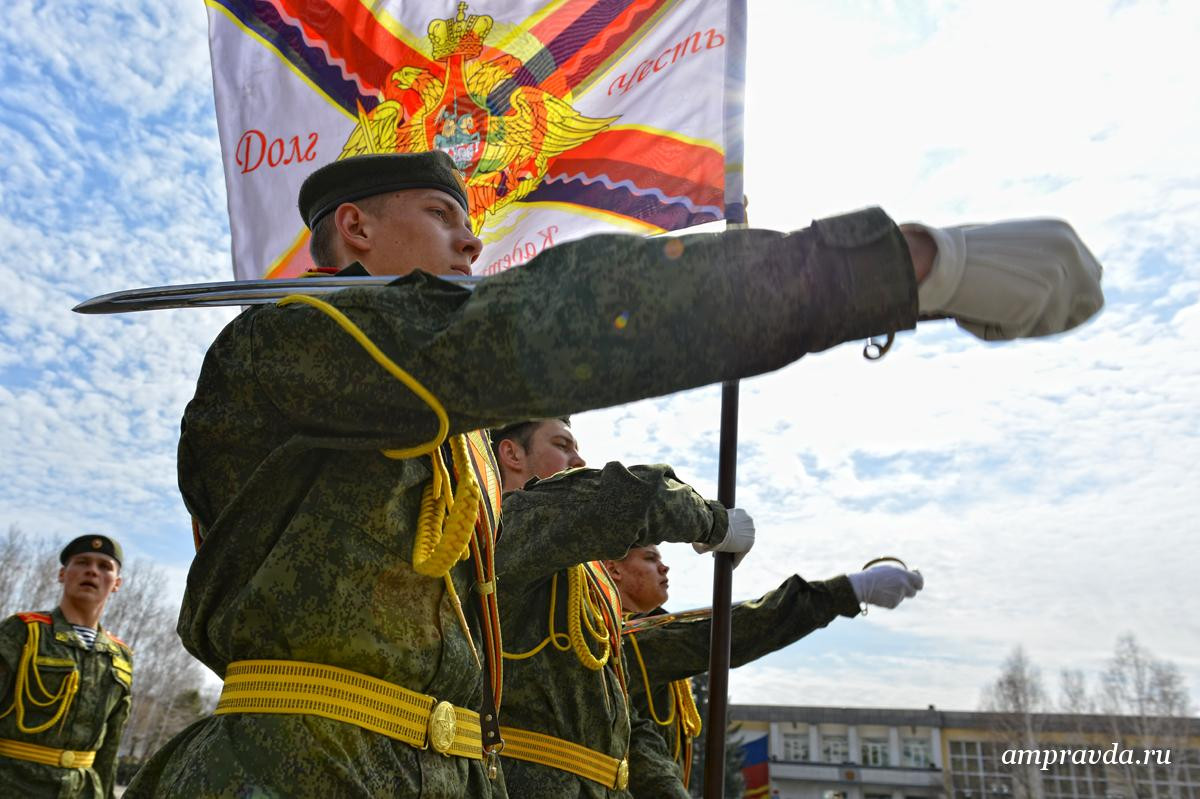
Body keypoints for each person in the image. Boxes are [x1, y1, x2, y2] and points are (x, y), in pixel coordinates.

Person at [124, 149, 1102, 797]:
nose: (472, 241)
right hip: (299, 769)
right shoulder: (297, 335)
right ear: (356, 230)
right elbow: (532, 326)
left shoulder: (428, 428)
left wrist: (830, 593)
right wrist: (886, 268)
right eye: (439, 211)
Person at [490, 417, 741, 798]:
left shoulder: (587, 585)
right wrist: (714, 522)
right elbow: (631, 497)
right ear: (511, 453)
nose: (578, 459)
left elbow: (621, 721)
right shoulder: (505, 528)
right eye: (562, 445)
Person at [608, 545, 922, 791]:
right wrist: (848, 591)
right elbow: (736, 632)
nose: (664, 566)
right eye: (649, 558)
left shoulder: (640, 631)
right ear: (614, 570)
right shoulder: (624, 638)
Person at [0, 535, 133, 798]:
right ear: (63, 574)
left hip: (83, 791)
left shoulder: (120, 656)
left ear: (116, 583)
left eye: (104, 566)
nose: (92, 571)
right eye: (82, 562)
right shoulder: (24, 632)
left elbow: (109, 747)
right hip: (14, 785)